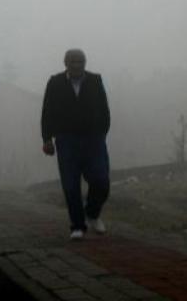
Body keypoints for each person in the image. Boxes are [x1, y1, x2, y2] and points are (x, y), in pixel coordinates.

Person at [40, 48, 111, 240]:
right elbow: (47, 111)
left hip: (93, 140)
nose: (77, 65)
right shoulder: (55, 83)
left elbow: (104, 110)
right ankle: (77, 226)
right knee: (71, 185)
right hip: (67, 140)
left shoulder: (95, 80)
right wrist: (47, 139)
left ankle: (93, 213)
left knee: (101, 181)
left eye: (81, 62)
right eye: (73, 62)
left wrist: (101, 134)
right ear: (66, 64)